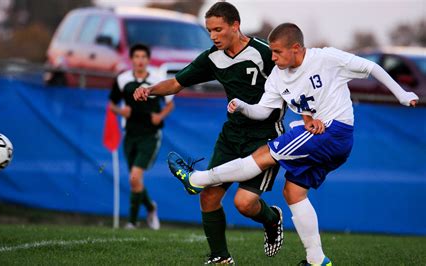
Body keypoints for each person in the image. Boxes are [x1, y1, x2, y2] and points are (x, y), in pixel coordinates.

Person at [167, 23, 419, 265]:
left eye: (277, 51)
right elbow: (264, 111)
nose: (272, 57)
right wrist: (242, 106)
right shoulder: (277, 76)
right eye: (272, 51)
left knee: (265, 154)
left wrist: (402, 94)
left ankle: (197, 179)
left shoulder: (327, 58)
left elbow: (371, 68)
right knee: (293, 192)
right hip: (322, 135)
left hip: (335, 131)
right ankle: (317, 260)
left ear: (296, 48)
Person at [133, 2, 285, 264]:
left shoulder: (263, 52)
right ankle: (221, 258)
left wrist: (310, 113)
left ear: (235, 26)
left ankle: (272, 219)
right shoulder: (212, 57)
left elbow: (292, 80)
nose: (213, 36)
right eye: (209, 30)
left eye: (218, 29)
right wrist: (149, 90)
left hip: (265, 138)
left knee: (244, 203)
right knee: (209, 195)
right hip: (232, 137)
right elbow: (176, 82)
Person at [109, 44, 174, 230]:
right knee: (134, 179)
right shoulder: (122, 79)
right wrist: (122, 111)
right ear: (131, 59)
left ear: (148, 59)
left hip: (150, 135)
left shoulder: (157, 79)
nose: (139, 60)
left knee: (135, 177)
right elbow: (112, 105)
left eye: (143, 57)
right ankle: (151, 207)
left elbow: (170, 104)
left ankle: (131, 222)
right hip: (130, 134)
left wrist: (160, 116)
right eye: (136, 56)